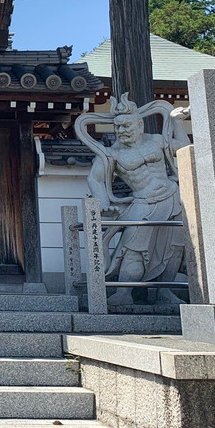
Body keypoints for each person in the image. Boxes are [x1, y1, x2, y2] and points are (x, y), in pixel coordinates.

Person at [76, 94, 188, 306]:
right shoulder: (111, 154)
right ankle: (124, 291)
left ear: (140, 124)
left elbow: (183, 150)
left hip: (173, 198)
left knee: (174, 248)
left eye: (127, 125)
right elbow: (95, 179)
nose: (122, 130)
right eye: (118, 127)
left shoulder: (156, 140)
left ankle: (164, 291)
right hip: (143, 203)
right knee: (133, 248)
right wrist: (103, 200)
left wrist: (176, 122)